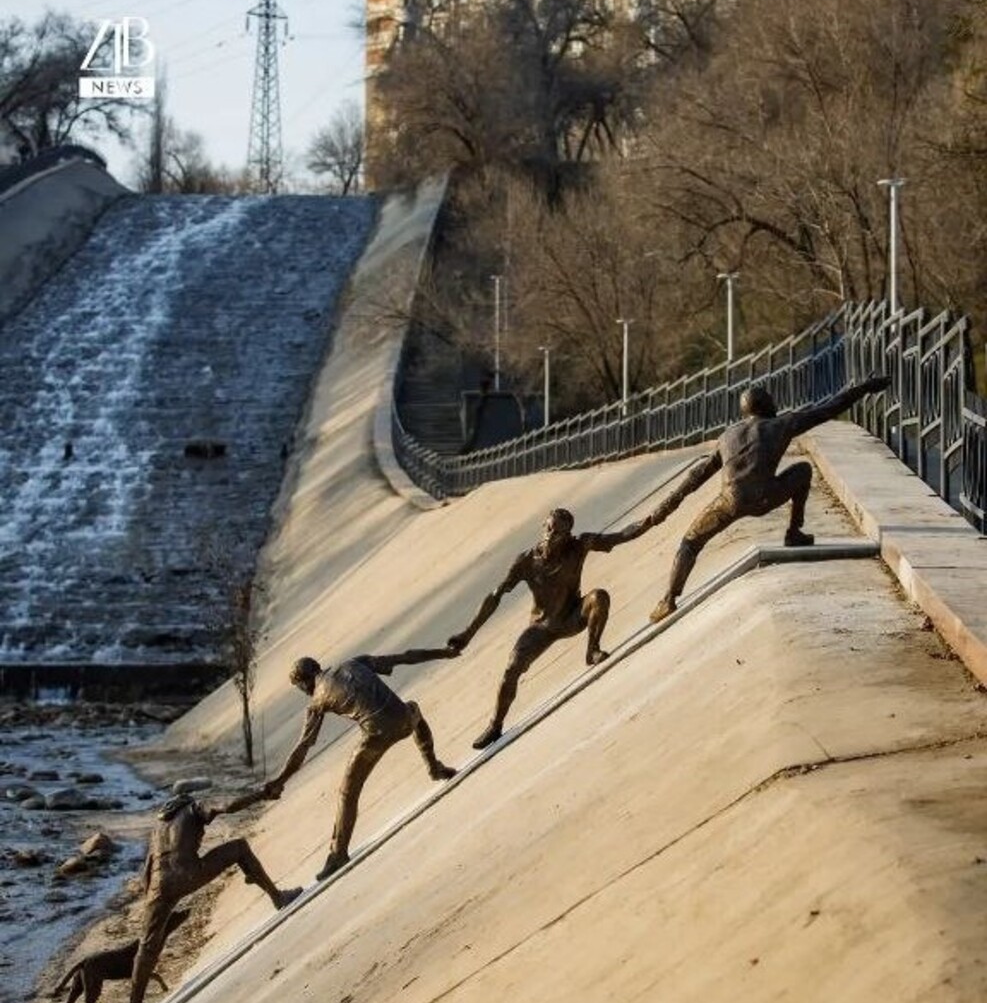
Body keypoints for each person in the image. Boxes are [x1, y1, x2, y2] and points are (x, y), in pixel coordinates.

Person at [647, 374, 891, 624]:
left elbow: (697, 475)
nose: (776, 405)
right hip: (765, 496)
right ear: (764, 406)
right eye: (772, 401)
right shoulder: (782, 424)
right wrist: (864, 388)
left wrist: (668, 505)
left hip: (729, 501)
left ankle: (668, 599)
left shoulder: (727, 436)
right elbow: (827, 410)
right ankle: (794, 531)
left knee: (690, 542)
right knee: (803, 471)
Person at [447, 506, 659, 750]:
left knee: (599, 597)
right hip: (541, 627)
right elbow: (496, 596)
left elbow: (620, 536)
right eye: (548, 528)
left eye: (558, 532)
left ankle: (592, 650)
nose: (550, 535)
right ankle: (495, 725)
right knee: (512, 666)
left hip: (572, 616)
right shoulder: (526, 561)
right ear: (543, 527)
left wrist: (649, 521)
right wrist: (468, 633)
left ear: (567, 535)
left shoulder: (579, 545)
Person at [263, 647, 458, 882]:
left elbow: (303, 747)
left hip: (377, 737)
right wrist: (444, 652)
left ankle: (338, 853)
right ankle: (434, 766)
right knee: (414, 708)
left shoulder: (317, 700)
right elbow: (404, 657)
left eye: (300, 688)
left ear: (304, 683)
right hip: (405, 720)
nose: (303, 692)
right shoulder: (355, 662)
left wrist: (280, 781)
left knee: (348, 791)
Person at [129, 789, 301, 1003]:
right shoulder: (194, 807)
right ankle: (277, 897)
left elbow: (147, 868)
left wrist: (151, 899)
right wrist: (261, 793)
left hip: (159, 885)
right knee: (240, 848)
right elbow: (228, 804)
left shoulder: (158, 830)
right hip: (188, 873)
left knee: (147, 946)